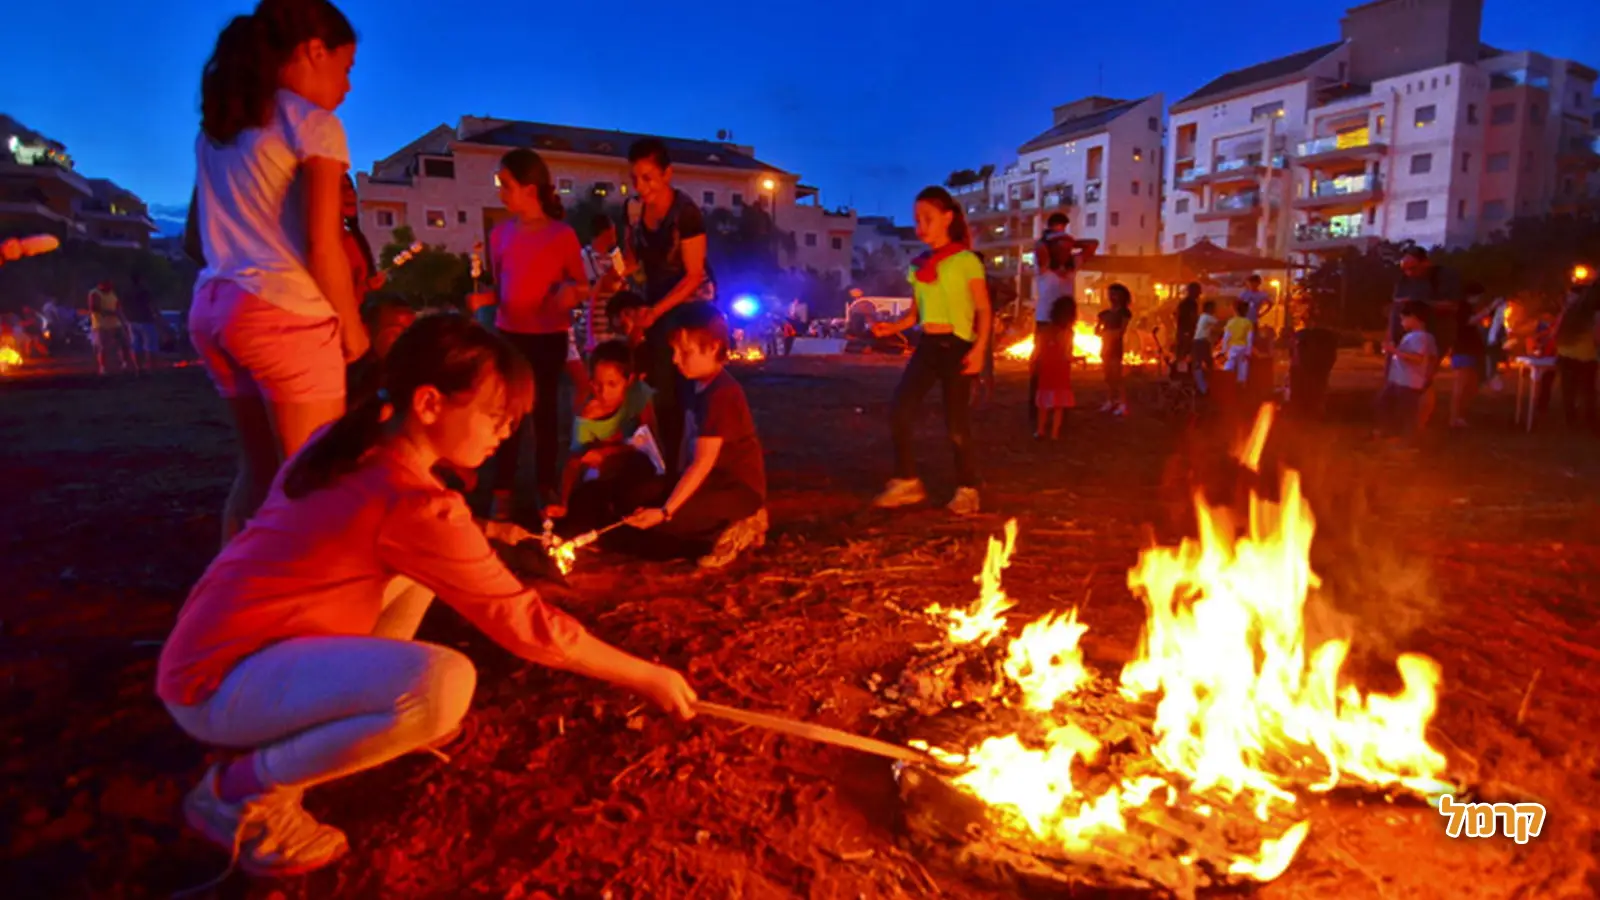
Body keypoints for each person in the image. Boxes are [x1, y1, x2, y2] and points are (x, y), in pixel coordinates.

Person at [157, 316, 696, 880]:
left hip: (218, 649)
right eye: (495, 416)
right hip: (219, 683)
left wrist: (490, 530)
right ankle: (238, 793)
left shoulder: (353, 445)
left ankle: (357, 718)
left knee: (418, 579)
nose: (504, 432)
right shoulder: (411, 502)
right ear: (430, 403)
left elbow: (423, 541)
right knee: (443, 686)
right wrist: (647, 676)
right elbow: (526, 624)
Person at [183, 0, 368, 546]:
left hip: (214, 307)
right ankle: (298, 598)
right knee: (313, 483)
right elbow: (322, 243)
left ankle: (226, 589)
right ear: (314, 51)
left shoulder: (218, 132)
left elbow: (194, 239)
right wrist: (353, 331)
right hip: (283, 312)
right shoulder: (314, 125)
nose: (347, 86)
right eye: (346, 68)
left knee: (259, 472)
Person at [477, 148, 586, 522]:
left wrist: (570, 293)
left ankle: (544, 486)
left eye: (505, 185)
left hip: (548, 337)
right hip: (510, 335)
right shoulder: (499, 235)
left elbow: (580, 284)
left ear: (530, 189)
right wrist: (484, 300)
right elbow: (500, 285)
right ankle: (502, 490)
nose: (500, 193)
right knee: (507, 414)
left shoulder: (562, 235)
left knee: (545, 415)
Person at [870, 187, 991, 515]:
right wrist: (890, 328)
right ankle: (907, 480)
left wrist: (979, 349)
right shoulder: (918, 266)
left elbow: (983, 308)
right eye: (917, 220)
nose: (921, 227)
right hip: (928, 345)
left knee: (956, 423)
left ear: (948, 218)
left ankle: (968, 488)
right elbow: (915, 315)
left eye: (928, 219)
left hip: (958, 346)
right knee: (900, 409)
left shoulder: (966, 261)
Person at [617, 305, 768, 568]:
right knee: (634, 502)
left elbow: (702, 463)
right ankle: (708, 528)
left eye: (685, 352)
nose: (676, 360)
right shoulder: (693, 384)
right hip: (708, 484)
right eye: (675, 351)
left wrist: (665, 511)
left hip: (734, 489)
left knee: (663, 526)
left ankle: (742, 524)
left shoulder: (722, 394)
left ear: (713, 348)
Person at [623, 138, 716, 474]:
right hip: (655, 308)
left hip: (687, 309)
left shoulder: (686, 214)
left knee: (680, 390)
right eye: (635, 178)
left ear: (667, 174)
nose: (640, 186)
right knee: (654, 386)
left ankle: (684, 467)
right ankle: (662, 463)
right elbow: (633, 261)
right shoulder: (634, 211)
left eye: (648, 177)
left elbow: (693, 275)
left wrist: (655, 312)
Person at [546, 340, 657, 532]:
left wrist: (608, 452)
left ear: (629, 380)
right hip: (603, 477)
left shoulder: (638, 395)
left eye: (612, 384)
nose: (604, 392)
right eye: (597, 384)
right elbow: (575, 461)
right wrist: (564, 501)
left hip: (638, 471)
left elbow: (650, 441)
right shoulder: (587, 414)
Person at [1375, 301, 1438, 441]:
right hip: (1400, 379)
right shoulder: (1419, 337)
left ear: (1414, 318)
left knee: (1407, 410)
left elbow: (1417, 358)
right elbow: (1432, 358)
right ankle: (1392, 433)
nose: (1401, 322)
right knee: (1385, 402)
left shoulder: (1420, 337)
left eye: (1403, 318)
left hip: (1408, 381)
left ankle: (1408, 439)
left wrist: (1394, 351)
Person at [1552, 282, 1599, 431]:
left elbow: (1556, 333)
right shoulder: (1594, 314)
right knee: (1588, 390)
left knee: (1568, 390)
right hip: (1586, 356)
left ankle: (1571, 420)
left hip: (1565, 355)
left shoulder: (1567, 312)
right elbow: (1597, 337)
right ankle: (1590, 421)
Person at [1446, 282, 1492, 428]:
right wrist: (1489, 309)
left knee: (1470, 385)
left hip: (1471, 350)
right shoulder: (1462, 308)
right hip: (1463, 350)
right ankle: (1454, 418)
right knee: (1461, 385)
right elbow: (1470, 321)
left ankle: (1461, 416)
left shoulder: (1469, 308)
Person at [1033, 296, 1076, 440]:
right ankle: (1055, 433)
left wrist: (1033, 363)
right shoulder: (1068, 333)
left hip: (1046, 367)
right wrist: (1077, 359)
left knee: (1043, 402)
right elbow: (1067, 353)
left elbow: (1037, 350)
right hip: (1061, 369)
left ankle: (1040, 430)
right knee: (1059, 404)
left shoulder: (1045, 330)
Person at [581, 214, 625, 353]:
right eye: (612, 233)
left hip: (614, 328)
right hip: (595, 327)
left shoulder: (615, 257)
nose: (614, 238)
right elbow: (590, 290)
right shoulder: (585, 256)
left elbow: (621, 286)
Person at [1290, 308, 1338, 420]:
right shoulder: (1327, 336)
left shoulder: (1303, 336)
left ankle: (1307, 414)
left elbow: (1295, 354)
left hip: (1309, 368)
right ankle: (1315, 413)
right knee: (1318, 390)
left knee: (1309, 391)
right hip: (1317, 368)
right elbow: (1332, 355)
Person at [1096, 284, 1133, 416]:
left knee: (1117, 376)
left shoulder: (1124, 313)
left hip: (1116, 346)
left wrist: (1108, 334)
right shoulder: (1105, 314)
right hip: (1105, 345)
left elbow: (1121, 331)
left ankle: (1122, 403)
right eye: (1110, 294)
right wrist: (1102, 329)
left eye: (1114, 294)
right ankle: (1110, 400)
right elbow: (1097, 330)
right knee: (1108, 376)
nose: (1111, 297)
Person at [87, 280, 135, 376]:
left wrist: (124, 321)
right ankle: (103, 368)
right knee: (103, 347)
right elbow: (94, 308)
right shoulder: (95, 293)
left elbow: (118, 308)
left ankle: (125, 364)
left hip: (116, 324)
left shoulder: (112, 294)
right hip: (101, 325)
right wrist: (111, 313)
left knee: (125, 343)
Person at [123, 274, 162, 374]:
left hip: (132, 321)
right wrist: (158, 318)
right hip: (146, 320)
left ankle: (138, 368)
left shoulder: (126, 292)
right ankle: (152, 368)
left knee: (136, 346)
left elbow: (122, 306)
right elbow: (152, 306)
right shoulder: (145, 292)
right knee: (151, 346)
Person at [1220, 299, 1254, 386]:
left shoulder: (1230, 322)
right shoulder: (1248, 323)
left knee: (1229, 364)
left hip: (1232, 347)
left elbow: (1226, 337)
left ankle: (1226, 381)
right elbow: (1249, 339)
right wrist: (1248, 352)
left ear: (1235, 310)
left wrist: (1223, 350)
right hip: (1243, 348)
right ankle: (1241, 385)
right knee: (1243, 368)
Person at [1192, 300, 1220, 396]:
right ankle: (1204, 388)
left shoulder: (1202, 317)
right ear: (1209, 308)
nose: (1215, 310)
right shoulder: (1207, 317)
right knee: (1206, 363)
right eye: (1213, 308)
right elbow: (1219, 323)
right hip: (1201, 342)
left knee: (1202, 363)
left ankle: (1204, 386)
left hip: (1200, 342)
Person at [1174, 282, 1200, 364]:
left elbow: (1176, 316)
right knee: (1185, 352)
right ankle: (1182, 368)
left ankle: (1180, 367)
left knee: (1182, 352)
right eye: (1198, 291)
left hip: (1183, 331)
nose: (1199, 294)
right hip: (1186, 332)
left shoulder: (1184, 303)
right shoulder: (1191, 303)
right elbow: (1192, 318)